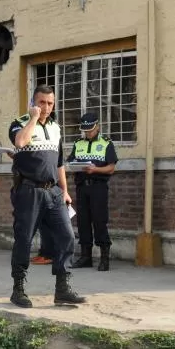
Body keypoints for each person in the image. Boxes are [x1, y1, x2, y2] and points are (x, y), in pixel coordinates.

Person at [7, 85, 86, 308]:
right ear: (33, 102)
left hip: (54, 192)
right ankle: (18, 289)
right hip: (29, 191)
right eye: (42, 102)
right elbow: (20, 142)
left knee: (67, 236)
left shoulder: (55, 128)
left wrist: (65, 190)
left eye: (50, 103)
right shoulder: (19, 123)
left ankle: (62, 289)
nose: (46, 107)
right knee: (24, 240)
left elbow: (59, 164)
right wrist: (33, 118)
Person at [67, 112, 118, 271]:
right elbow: (70, 162)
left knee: (99, 221)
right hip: (82, 187)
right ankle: (85, 257)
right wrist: (73, 167)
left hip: (98, 187)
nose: (88, 133)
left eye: (90, 129)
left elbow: (111, 168)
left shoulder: (106, 143)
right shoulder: (78, 143)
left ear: (97, 127)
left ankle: (104, 258)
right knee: (83, 222)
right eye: (85, 130)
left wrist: (95, 169)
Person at [4, 149, 55, 266]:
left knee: (44, 224)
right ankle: (44, 253)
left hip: (37, 189)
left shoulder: (42, 147)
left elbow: (38, 164)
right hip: (23, 186)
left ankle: (48, 254)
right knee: (39, 225)